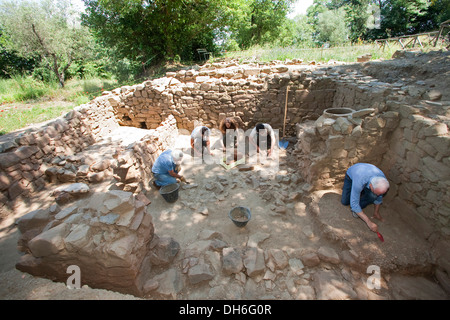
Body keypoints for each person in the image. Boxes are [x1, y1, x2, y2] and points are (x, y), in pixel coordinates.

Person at [341, 163, 390, 233]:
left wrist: (376, 212)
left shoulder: (383, 182)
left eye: (380, 193)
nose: (379, 195)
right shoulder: (360, 181)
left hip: (367, 177)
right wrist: (369, 222)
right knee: (345, 202)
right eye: (377, 192)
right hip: (352, 175)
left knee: (373, 196)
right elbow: (354, 204)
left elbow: (379, 196)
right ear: (370, 186)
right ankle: (357, 191)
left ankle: (361, 194)